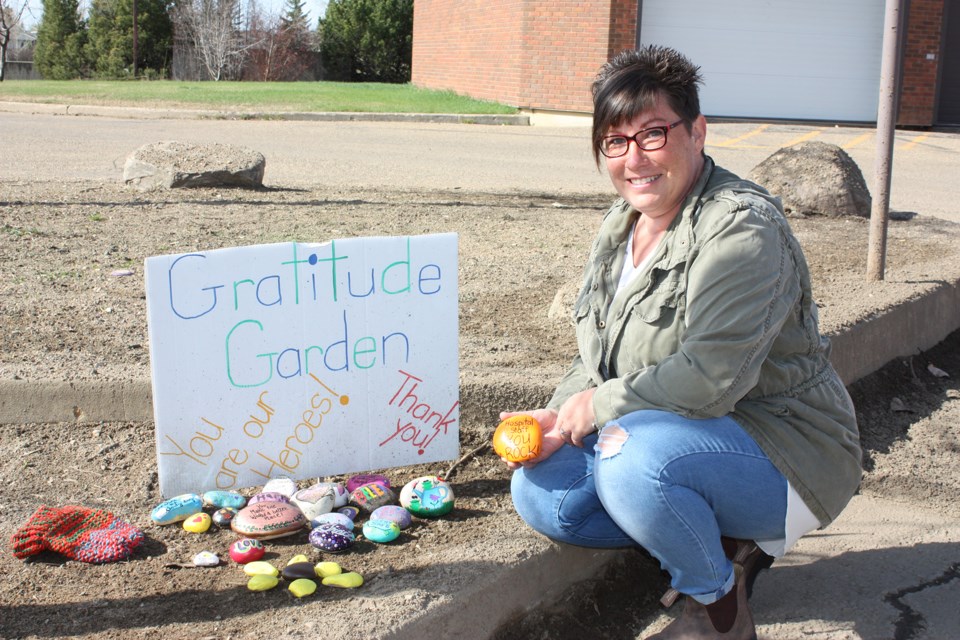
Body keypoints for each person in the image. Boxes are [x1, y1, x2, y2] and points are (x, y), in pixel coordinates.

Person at [501, 45, 862, 640]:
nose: (633, 159)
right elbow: (597, 355)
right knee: (545, 493)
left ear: (696, 131)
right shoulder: (622, 227)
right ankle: (721, 544)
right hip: (676, 438)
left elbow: (709, 378)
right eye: (615, 142)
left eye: (652, 134)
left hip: (784, 451)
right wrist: (557, 413)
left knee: (628, 455)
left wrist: (598, 407)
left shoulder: (741, 228)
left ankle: (715, 609)